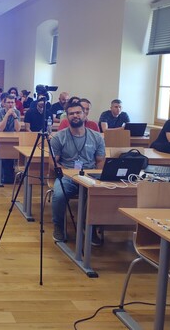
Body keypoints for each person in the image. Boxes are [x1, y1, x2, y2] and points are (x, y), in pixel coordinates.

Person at [50, 101, 105, 243]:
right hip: (67, 175)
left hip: (90, 175)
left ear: (84, 114)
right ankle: (59, 226)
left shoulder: (97, 137)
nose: (75, 116)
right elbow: (53, 162)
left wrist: (98, 176)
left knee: (99, 194)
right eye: (71, 113)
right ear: (67, 117)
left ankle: (90, 227)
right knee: (59, 195)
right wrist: (65, 172)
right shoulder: (58, 137)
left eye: (78, 112)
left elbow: (100, 161)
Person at [0, 94, 21, 183]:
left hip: (12, 139)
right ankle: (5, 175)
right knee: (5, 153)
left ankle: (9, 174)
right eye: (8, 102)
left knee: (14, 152)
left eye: (12, 102)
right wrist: (7, 115)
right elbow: (1, 128)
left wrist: (15, 116)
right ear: (4, 103)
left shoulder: (17, 112)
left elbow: (18, 129)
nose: (10, 104)